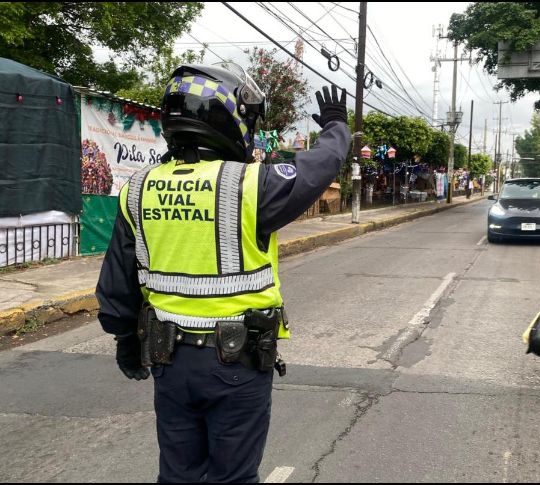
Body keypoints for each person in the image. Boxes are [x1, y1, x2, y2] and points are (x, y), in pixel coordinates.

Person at [95, 62, 351, 482]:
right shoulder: (250, 185)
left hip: (168, 363)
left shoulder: (138, 189)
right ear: (227, 117)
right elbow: (319, 167)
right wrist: (336, 127)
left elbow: (117, 283)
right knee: (232, 477)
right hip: (236, 365)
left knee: (178, 475)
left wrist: (125, 341)